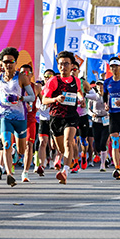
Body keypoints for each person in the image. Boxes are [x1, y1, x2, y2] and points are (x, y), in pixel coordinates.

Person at [0, 48, 35, 186]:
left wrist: (19, 98)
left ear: (15, 63)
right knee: (6, 144)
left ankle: (15, 150)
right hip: (5, 116)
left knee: (21, 149)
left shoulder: (21, 77)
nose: (8, 64)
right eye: (5, 62)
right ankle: (9, 174)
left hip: (20, 118)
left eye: (11, 61)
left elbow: (32, 97)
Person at [42, 51, 83, 184]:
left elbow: (79, 92)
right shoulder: (54, 81)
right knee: (61, 149)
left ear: (72, 66)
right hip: (56, 117)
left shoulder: (76, 81)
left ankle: (65, 171)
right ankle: (68, 161)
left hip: (71, 116)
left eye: (66, 64)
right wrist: (56, 99)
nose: (63, 66)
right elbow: (44, 100)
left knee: (68, 142)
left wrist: (81, 99)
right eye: (60, 64)